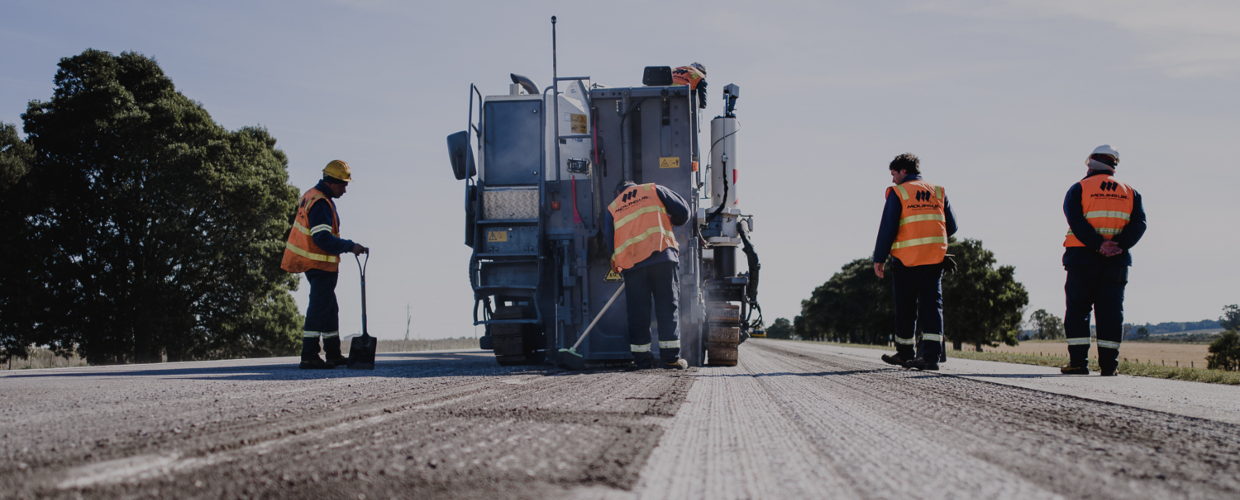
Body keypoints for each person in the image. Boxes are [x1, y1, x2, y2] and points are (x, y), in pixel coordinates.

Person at [1060, 145, 1146, 376]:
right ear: (1113, 166)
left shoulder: (1078, 188)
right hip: (1116, 262)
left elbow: (1076, 221)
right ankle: (1109, 366)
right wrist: (1117, 244)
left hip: (1081, 259)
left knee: (1078, 311)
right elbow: (1140, 224)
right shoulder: (1130, 191)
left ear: (1090, 164)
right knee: (1111, 313)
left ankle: (1078, 363)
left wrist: (1099, 244)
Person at [873, 153, 958, 371]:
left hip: (906, 260)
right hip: (934, 259)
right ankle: (930, 357)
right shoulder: (937, 191)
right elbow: (952, 226)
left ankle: (904, 354)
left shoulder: (899, 193)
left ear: (903, 171)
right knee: (932, 305)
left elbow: (888, 227)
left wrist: (879, 258)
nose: (892, 179)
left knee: (905, 307)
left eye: (894, 174)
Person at [281, 160, 369, 369]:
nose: (345, 190)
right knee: (319, 309)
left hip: (317, 265)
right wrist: (351, 246)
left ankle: (333, 354)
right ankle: (309, 355)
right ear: (331, 182)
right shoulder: (320, 202)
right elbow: (322, 238)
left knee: (330, 309)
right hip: (319, 266)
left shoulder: (313, 195)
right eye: (343, 185)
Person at [604, 181, 691, 369]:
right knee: (667, 308)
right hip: (662, 257)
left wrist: (618, 265)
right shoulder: (652, 189)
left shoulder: (613, 207)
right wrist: (672, 221)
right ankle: (670, 359)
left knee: (638, 314)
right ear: (634, 186)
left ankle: (642, 361)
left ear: (618, 192)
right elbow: (684, 211)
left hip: (633, 266)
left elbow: (611, 244)